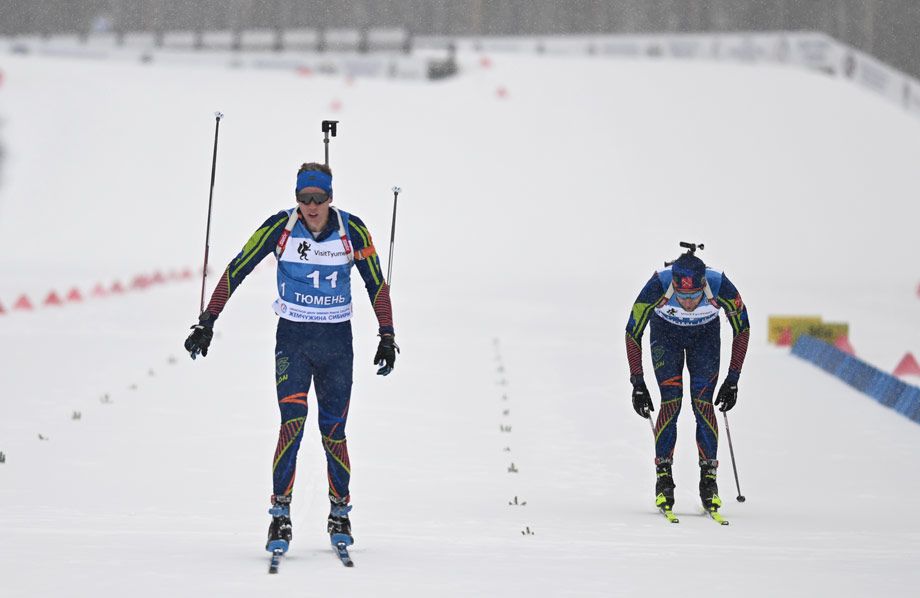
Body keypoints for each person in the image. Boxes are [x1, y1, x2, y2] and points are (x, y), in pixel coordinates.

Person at [183, 162, 397, 555]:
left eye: (318, 199)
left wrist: (387, 335)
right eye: (303, 199)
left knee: (333, 431)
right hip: (294, 340)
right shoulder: (280, 227)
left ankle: (339, 512)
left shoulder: (353, 229)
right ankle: (280, 514)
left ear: (330, 198)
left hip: (336, 343)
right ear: (296, 199)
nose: (311, 207)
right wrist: (208, 321)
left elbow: (376, 283)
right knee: (291, 425)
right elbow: (237, 268)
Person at [624, 244, 749, 515]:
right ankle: (664, 478)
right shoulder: (658, 285)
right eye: (681, 296)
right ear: (674, 286)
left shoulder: (719, 285)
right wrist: (637, 382)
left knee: (702, 403)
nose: (689, 303)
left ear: (703, 284)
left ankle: (709, 481)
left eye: (694, 296)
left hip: (704, 338)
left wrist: (733, 379)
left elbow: (743, 329)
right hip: (665, 334)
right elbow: (632, 331)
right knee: (672, 401)